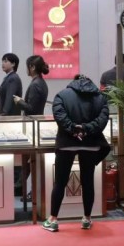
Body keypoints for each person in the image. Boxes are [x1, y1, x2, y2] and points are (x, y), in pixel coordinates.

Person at [42, 74, 110, 232]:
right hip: (91, 144)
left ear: (73, 82)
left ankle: (53, 219)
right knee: (88, 182)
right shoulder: (100, 98)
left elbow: (59, 116)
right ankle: (87, 218)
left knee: (60, 182)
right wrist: (85, 129)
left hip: (66, 143)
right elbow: (102, 119)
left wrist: (73, 129)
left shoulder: (61, 95)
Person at [13, 55, 50, 201]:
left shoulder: (36, 84)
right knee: (31, 162)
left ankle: (29, 191)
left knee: (31, 162)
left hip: (32, 126)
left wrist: (19, 101)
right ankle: (26, 189)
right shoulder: (40, 82)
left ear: (32, 67)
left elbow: (31, 109)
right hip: (35, 125)